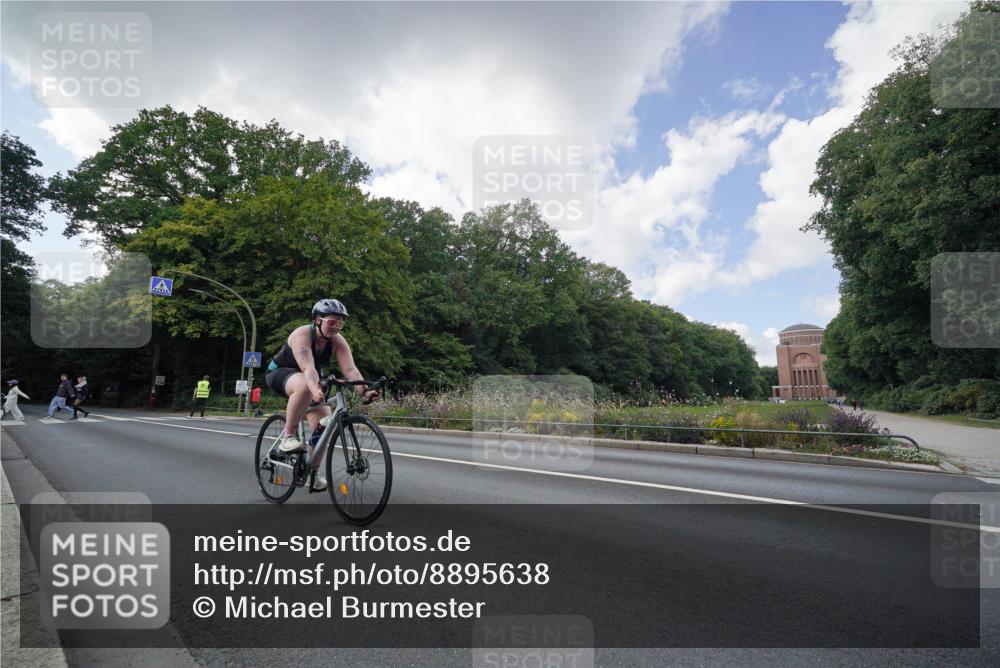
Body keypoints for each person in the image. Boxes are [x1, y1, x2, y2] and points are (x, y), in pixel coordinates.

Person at [265, 299, 379, 491]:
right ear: (318, 319)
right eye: (332, 322)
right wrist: (315, 389)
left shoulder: (337, 340)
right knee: (303, 384)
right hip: (281, 373)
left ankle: (312, 473)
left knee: (324, 428)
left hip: (311, 379)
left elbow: (351, 370)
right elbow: (308, 369)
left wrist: (365, 391)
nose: (336, 327)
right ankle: (288, 436)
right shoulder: (302, 334)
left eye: (340, 323)